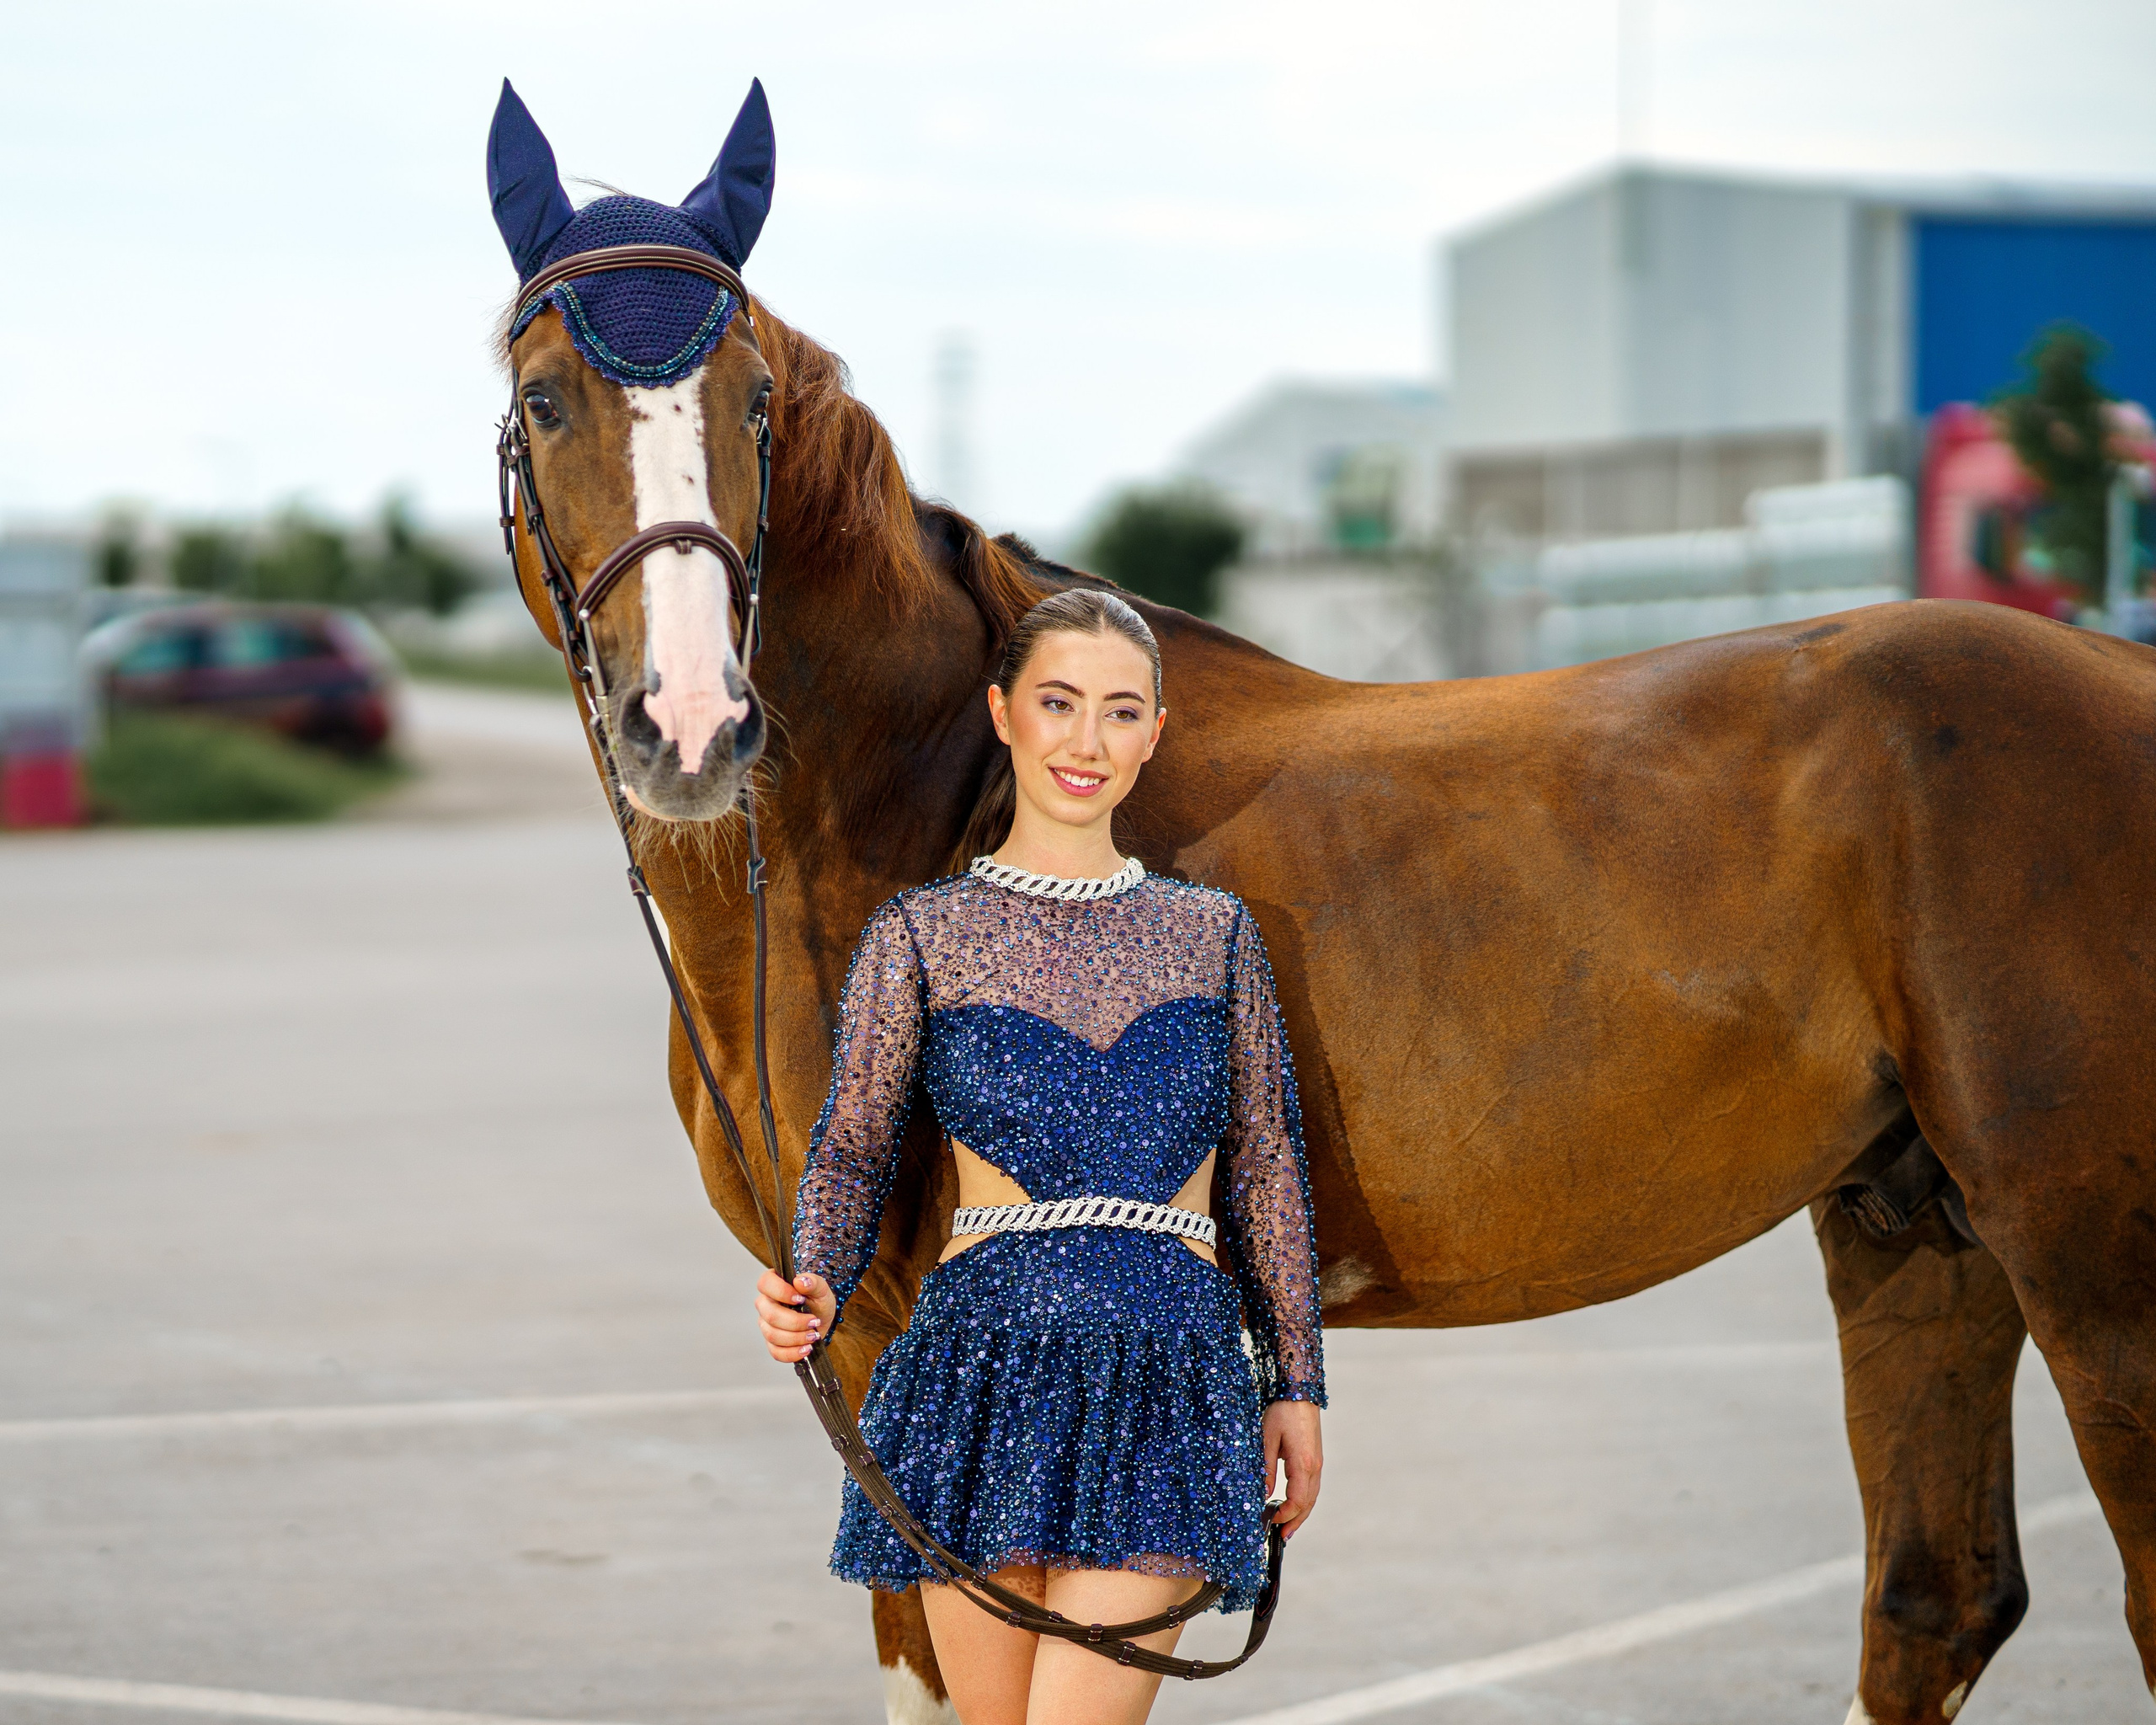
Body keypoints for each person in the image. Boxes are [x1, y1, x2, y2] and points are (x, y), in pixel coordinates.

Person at [754, 588, 1326, 1725]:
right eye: (1059, 704)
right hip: (979, 1377)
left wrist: (1296, 1383)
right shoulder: (919, 935)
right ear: (1004, 713)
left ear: (1153, 736)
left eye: (1120, 713)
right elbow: (854, 1147)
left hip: (1168, 1378)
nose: (1086, 741)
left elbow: (1267, 1171)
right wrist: (812, 1270)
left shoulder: (1215, 933)